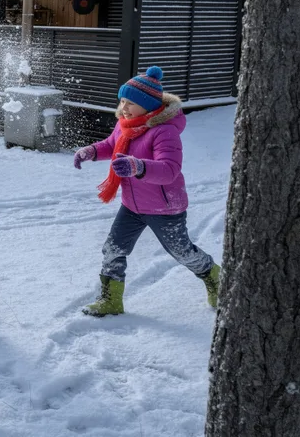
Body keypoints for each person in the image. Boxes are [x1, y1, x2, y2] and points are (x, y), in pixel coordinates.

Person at [72, 66, 220, 316]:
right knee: (113, 248)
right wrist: (91, 151)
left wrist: (137, 166)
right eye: (122, 100)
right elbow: (111, 145)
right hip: (132, 205)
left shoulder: (165, 131)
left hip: (165, 207)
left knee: (182, 252)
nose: (124, 106)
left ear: (149, 106)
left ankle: (215, 276)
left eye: (131, 102)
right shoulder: (125, 124)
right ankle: (111, 300)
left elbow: (169, 169)